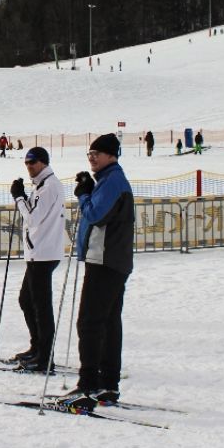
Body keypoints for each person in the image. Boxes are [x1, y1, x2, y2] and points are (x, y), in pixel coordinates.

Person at [62, 133, 134, 409]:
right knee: (108, 322)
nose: (92, 158)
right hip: (112, 260)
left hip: (104, 260)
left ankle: (88, 384)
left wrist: (83, 194)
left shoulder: (113, 180)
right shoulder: (110, 179)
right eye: (89, 154)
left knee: (90, 323)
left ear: (111, 155)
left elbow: (96, 214)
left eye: (97, 154)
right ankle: (108, 384)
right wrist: (90, 189)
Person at [8, 147, 66, 372]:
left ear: (43, 162)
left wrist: (19, 198)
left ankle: (45, 356)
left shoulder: (49, 186)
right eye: (26, 163)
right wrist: (24, 197)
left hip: (44, 253)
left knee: (41, 307)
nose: (29, 166)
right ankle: (37, 347)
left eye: (32, 162)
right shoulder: (42, 185)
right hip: (38, 252)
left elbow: (32, 218)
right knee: (26, 300)